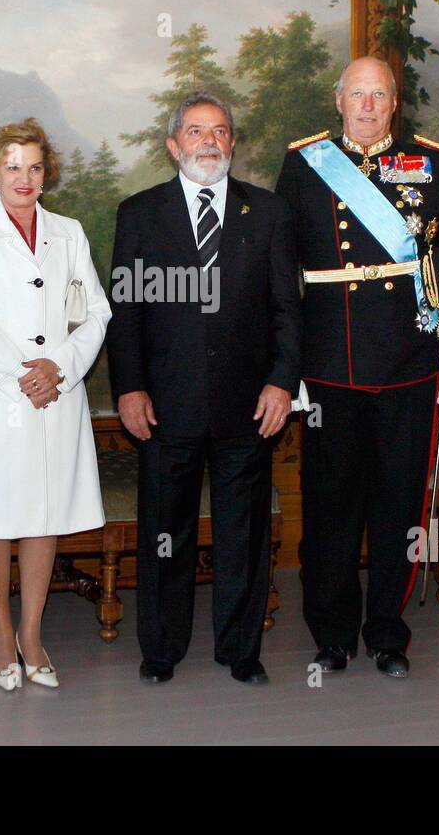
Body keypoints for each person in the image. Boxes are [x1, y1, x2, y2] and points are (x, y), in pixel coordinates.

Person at [274, 56, 439, 678]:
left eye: (379, 95)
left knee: (399, 509)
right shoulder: (305, 162)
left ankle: (388, 632)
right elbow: (281, 277)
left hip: (408, 365)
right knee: (330, 508)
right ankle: (333, 633)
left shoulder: (432, 162)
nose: (367, 105)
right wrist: (289, 372)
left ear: (395, 102)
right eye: (357, 94)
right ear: (338, 100)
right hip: (329, 368)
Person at [107, 92, 300, 685]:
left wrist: (281, 383)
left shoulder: (267, 212)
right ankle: (161, 649)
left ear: (232, 144)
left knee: (243, 532)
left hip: (249, 405)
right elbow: (126, 309)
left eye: (219, 131)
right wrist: (130, 388)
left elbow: (287, 311)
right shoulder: (139, 213)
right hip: (166, 404)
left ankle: (241, 652)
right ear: (174, 145)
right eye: (195, 131)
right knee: (167, 531)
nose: (208, 142)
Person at [0, 118, 110, 691]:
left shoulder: (70, 231)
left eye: (34, 166)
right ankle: (2, 634)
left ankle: (33, 635)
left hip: (57, 392)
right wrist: (22, 375)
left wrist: (57, 367)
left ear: (46, 173)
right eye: (12, 166)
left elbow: (94, 313)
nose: (24, 177)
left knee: (42, 512)